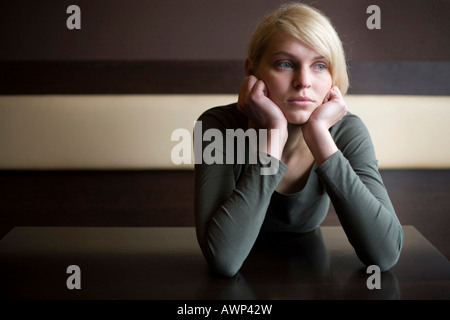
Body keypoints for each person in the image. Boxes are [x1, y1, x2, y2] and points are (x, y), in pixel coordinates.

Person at [194, 2, 403, 277]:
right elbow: (224, 258)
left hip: (310, 271)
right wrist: (275, 133)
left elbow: (384, 254)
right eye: (285, 64)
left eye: (319, 65)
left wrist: (319, 136)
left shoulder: (346, 131)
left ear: (333, 76)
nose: (303, 80)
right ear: (251, 70)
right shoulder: (216, 127)